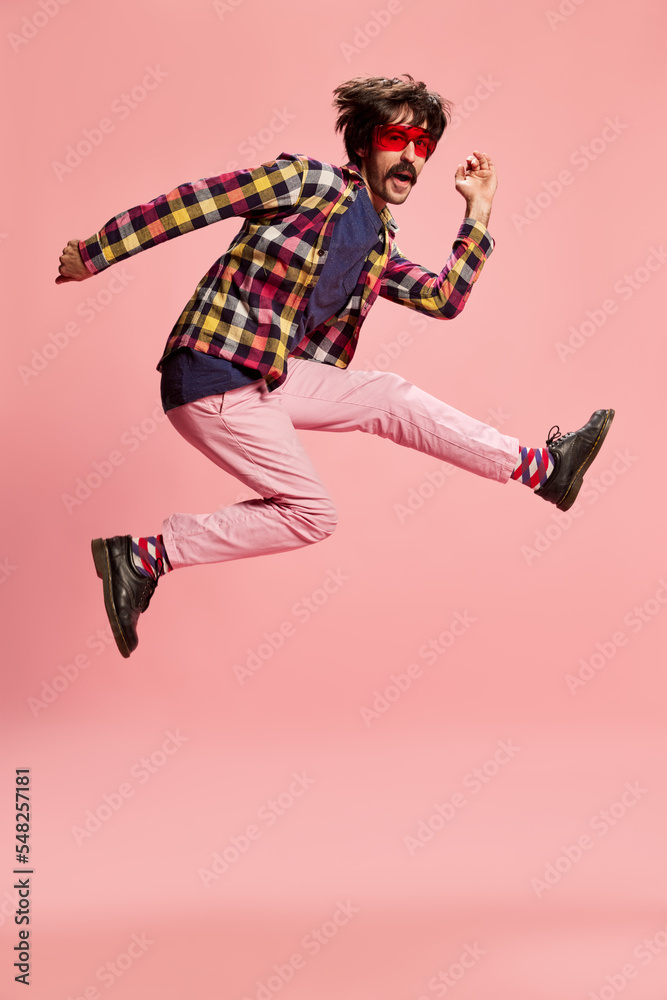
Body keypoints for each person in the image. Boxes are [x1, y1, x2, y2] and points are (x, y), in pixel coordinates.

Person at [56, 74, 614, 659]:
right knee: (312, 514)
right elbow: (197, 202)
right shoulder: (306, 181)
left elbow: (442, 299)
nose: (410, 156)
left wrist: (478, 211)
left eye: (423, 146)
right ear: (365, 143)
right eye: (398, 137)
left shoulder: (377, 242)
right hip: (213, 370)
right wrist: (93, 255)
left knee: (387, 396)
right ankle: (142, 558)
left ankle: (542, 470)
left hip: (265, 373)